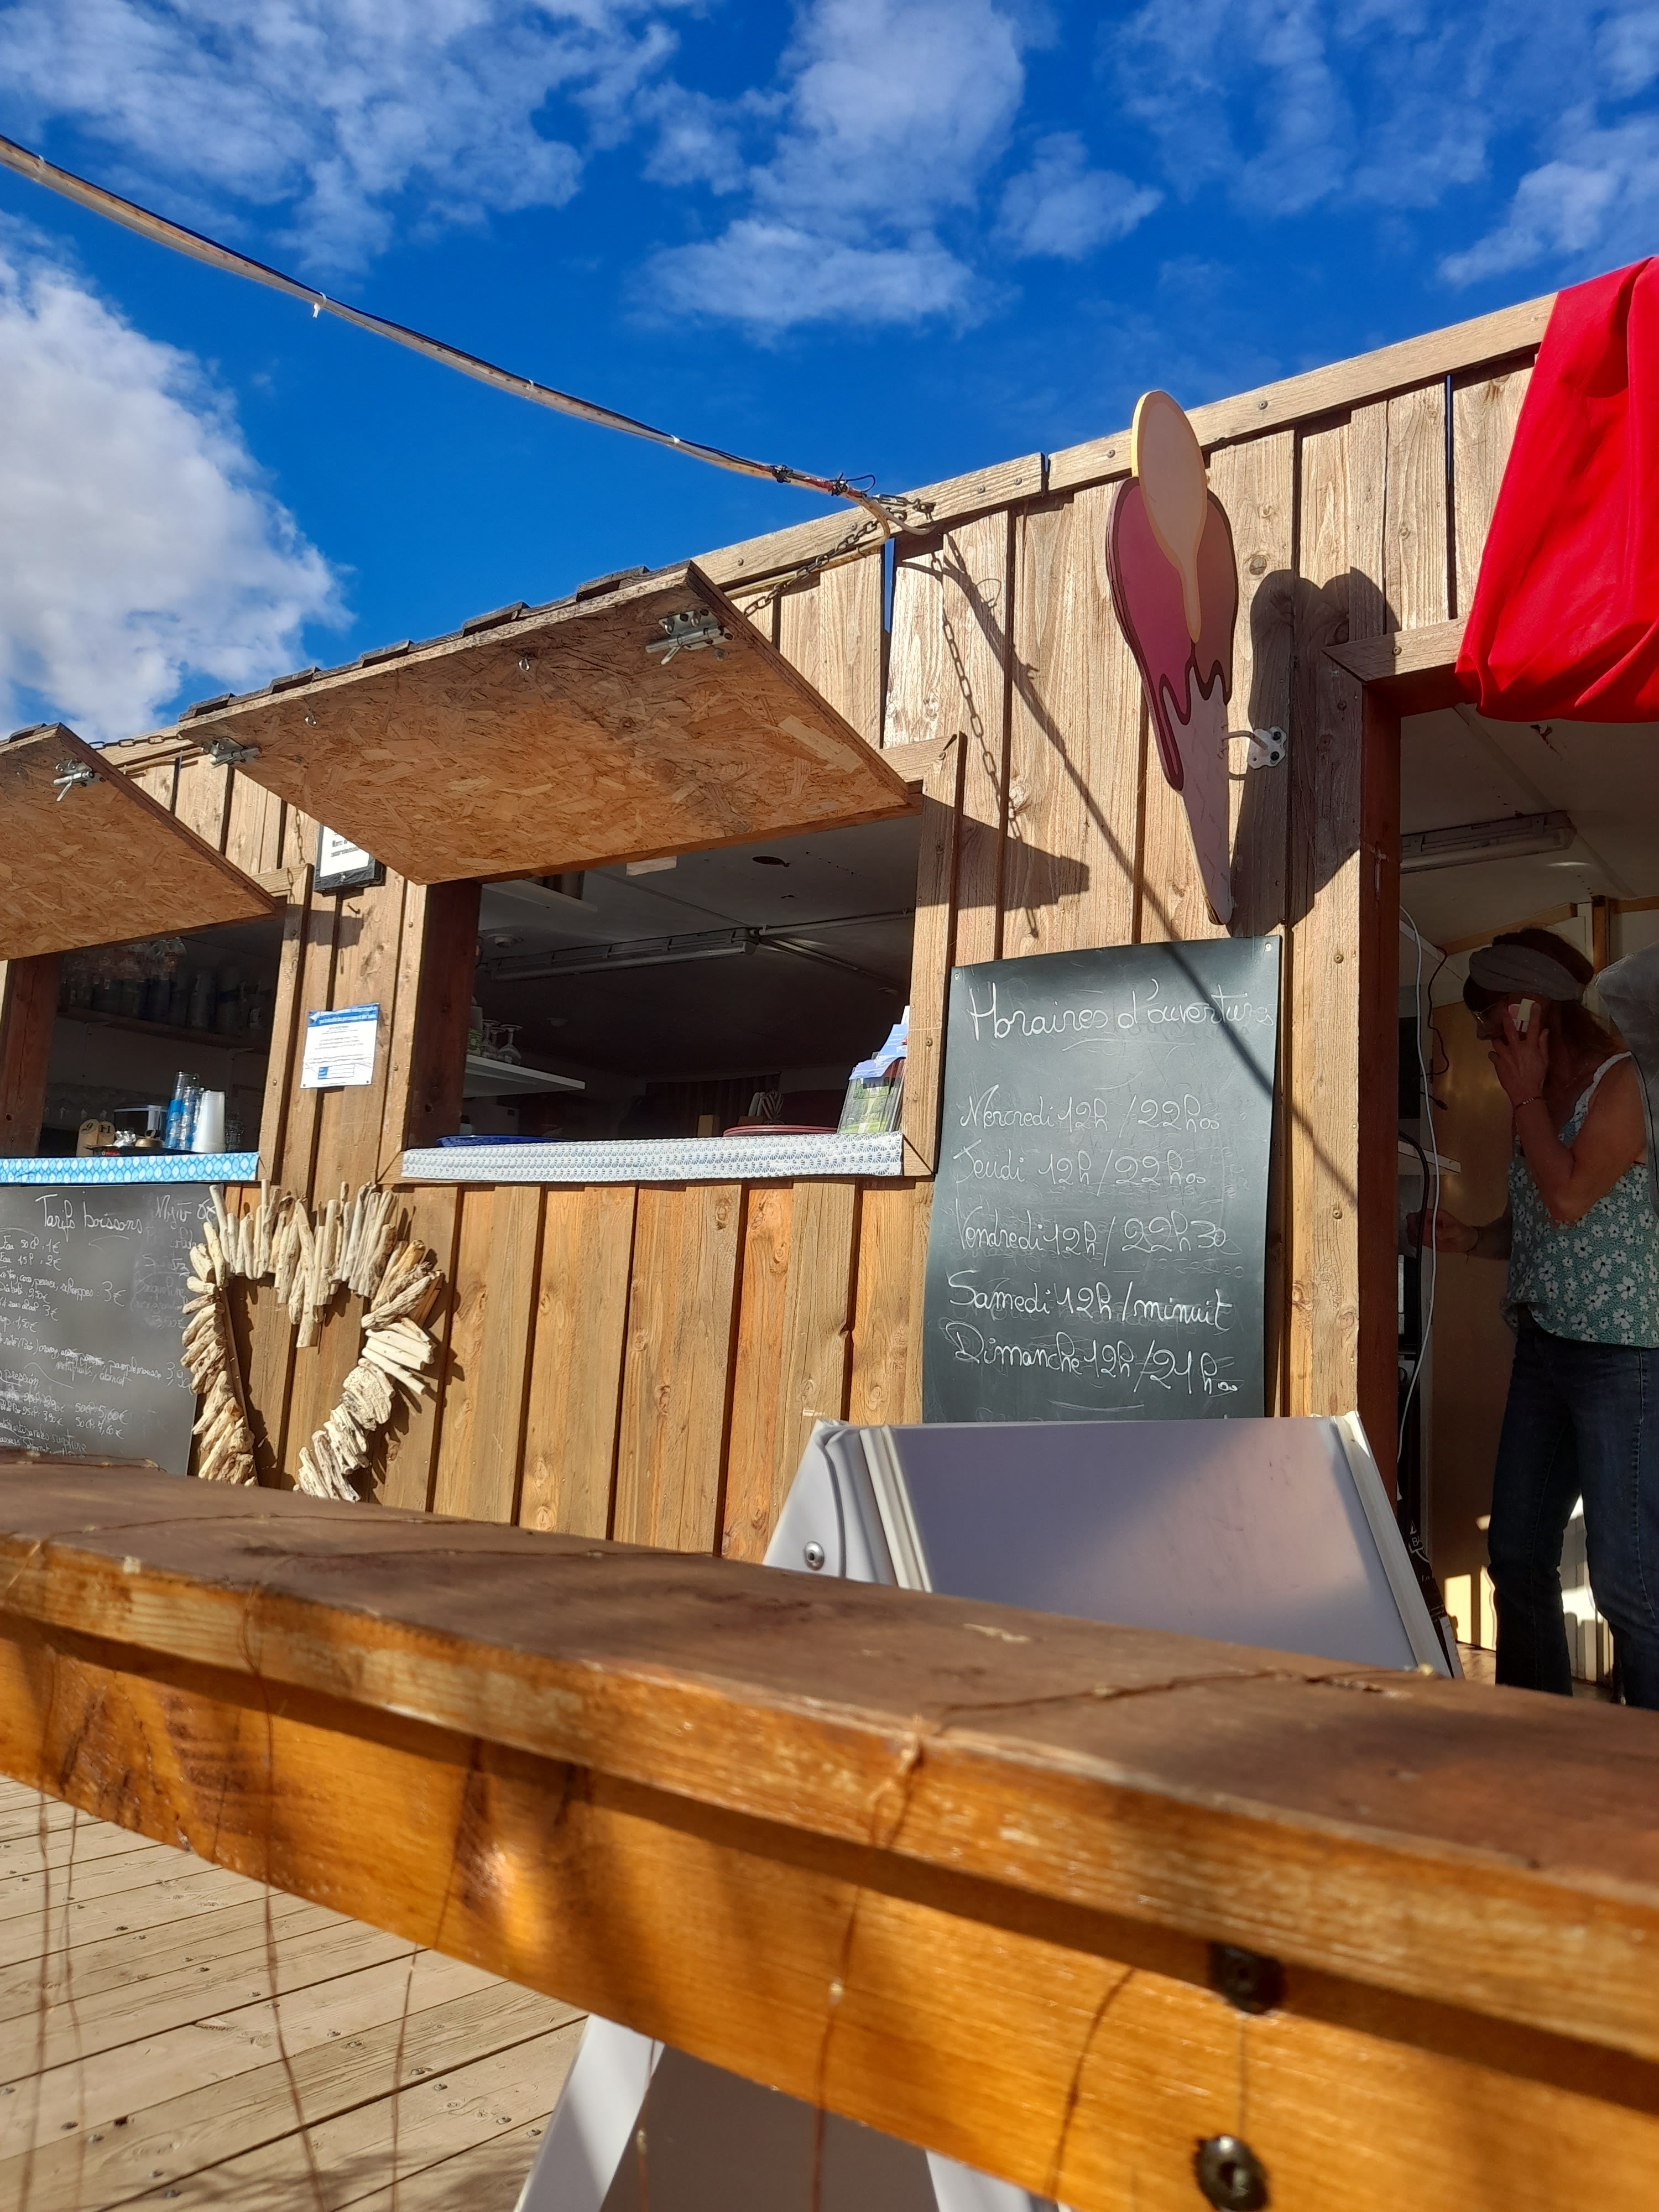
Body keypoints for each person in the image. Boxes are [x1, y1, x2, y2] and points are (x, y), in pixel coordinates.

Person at [1417, 927, 1659, 1707]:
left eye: (1491, 1022)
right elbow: (1531, 1225)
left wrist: (1524, 1100)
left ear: (1531, 1012)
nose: (1485, 1041)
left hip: (1625, 1356)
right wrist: (1471, 1238)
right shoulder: (1532, 1105)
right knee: (1517, 1556)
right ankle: (1539, 1736)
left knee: (1631, 1586)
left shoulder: (1625, 1084)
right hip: (1546, 1348)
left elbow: (1569, 1197)